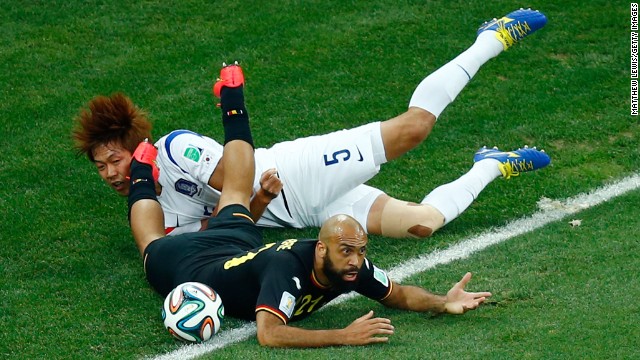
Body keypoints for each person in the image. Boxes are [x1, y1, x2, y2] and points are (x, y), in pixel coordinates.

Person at [74, 8, 550, 239]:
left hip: (297, 172)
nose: (112, 174)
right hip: (301, 213)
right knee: (424, 224)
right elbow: (233, 230)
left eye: (115, 159)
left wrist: (254, 198)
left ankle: (489, 39)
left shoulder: (178, 149)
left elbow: (238, 186)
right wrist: (256, 206)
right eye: (101, 168)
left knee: (413, 129)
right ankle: (491, 165)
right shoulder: (153, 214)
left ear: (140, 147)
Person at [130, 63, 492, 347]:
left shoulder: (348, 265)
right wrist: (342, 335)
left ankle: (231, 99)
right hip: (189, 265)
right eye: (349, 251)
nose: (356, 260)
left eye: (360, 251)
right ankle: (142, 172)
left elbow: (396, 294)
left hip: (237, 246)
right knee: (152, 245)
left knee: (237, 198)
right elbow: (269, 334)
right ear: (322, 249)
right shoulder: (285, 271)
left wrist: (443, 301)